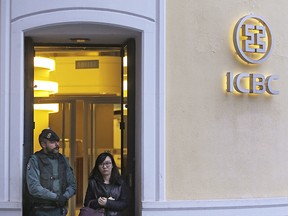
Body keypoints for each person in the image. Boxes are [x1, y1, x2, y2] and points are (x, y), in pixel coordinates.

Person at [26, 128, 77, 216]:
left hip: (59, 210)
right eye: (53, 142)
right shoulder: (35, 160)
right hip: (41, 210)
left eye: (57, 142)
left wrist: (64, 197)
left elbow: (72, 184)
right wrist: (56, 197)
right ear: (43, 144)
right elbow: (34, 187)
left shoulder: (63, 160)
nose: (57, 145)